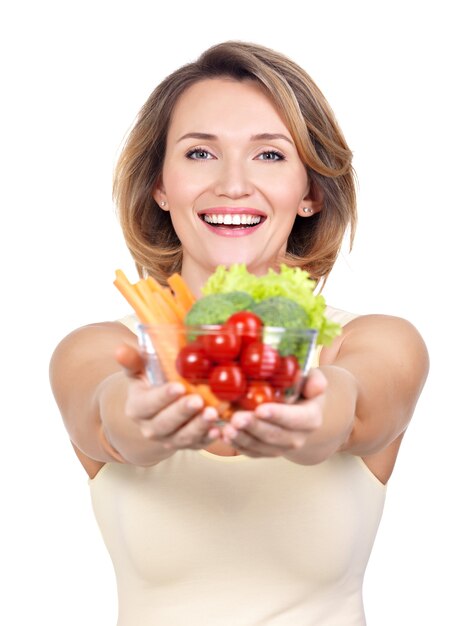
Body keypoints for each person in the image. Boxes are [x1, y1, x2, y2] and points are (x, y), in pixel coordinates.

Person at [49, 41, 429, 626]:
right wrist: (149, 416)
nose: (232, 185)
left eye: (270, 156)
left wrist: (301, 415)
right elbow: (109, 419)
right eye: (200, 153)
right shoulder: (97, 349)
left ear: (311, 193)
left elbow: (351, 411)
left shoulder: (378, 342)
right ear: (159, 185)